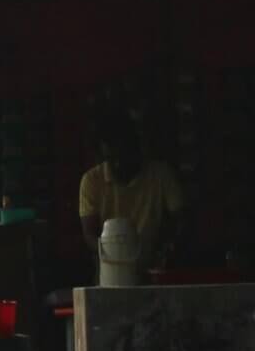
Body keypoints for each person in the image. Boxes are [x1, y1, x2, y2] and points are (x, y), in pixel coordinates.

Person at [78, 109, 183, 269]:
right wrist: (115, 256)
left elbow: (180, 218)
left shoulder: (161, 175)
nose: (119, 164)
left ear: (137, 149)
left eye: (124, 155)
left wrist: (166, 248)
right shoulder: (91, 180)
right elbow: (89, 234)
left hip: (154, 266)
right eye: (112, 158)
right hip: (111, 270)